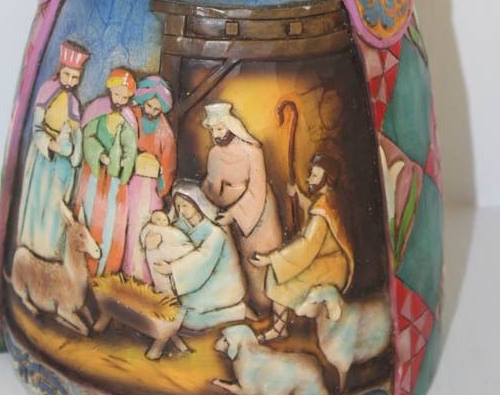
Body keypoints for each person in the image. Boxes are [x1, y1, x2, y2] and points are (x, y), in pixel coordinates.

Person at [251, 154, 355, 341]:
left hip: (329, 268)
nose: (309, 179)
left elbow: (307, 246)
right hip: (329, 261)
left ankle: (279, 329)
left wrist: (272, 259)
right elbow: (312, 213)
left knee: (279, 277)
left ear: (327, 179)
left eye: (315, 176)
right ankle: (280, 327)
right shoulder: (328, 199)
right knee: (279, 273)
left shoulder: (324, 208)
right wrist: (298, 195)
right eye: (311, 175)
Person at [201, 101, 282, 315]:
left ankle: (267, 309)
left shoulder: (252, 152)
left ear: (231, 126)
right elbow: (211, 185)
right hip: (226, 210)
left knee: (256, 259)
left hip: (257, 212)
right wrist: (203, 199)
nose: (216, 135)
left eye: (220, 128)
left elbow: (257, 189)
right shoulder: (215, 154)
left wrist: (235, 214)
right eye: (212, 130)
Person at [17, 41, 89, 259]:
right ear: (60, 70)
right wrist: (51, 144)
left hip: (63, 165)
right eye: (67, 75)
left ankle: (51, 251)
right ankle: (34, 249)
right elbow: (36, 128)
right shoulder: (47, 91)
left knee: (57, 206)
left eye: (75, 77)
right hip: (44, 160)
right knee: (39, 201)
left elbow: (76, 132)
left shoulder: (74, 102)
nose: (71, 81)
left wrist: (74, 153)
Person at [152, 180, 247, 331]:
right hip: (197, 279)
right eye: (178, 206)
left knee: (188, 316)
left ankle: (235, 312)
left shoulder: (215, 231)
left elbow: (203, 258)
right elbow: (170, 236)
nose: (181, 210)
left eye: (185, 205)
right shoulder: (181, 225)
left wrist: (172, 269)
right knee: (175, 307)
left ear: (196, 204)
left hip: (220, 282)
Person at [73, 67, 138, 275]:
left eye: (124, 97)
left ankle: (106, 268)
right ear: (110, 90)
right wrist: (100, 155)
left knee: (111, 221)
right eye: (117, 94)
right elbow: (88, 137)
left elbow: (131, 148)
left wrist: (123, 162)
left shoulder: (128, 119)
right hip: (93, 174)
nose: (119, 100)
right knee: (91, 212)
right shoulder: (97, 110)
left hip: (115, 180)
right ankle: (82, 265)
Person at [122, 76, 176, 280]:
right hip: (128, 179)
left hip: (150, 184)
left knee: (144, 226)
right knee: (126, 222)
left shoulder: (165, 132)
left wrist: (162, 187)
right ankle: (126, 269)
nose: (152, 112)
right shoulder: (131, 116)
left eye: (157, 109)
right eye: (150, 106)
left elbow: (168, 164)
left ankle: (142, 274)